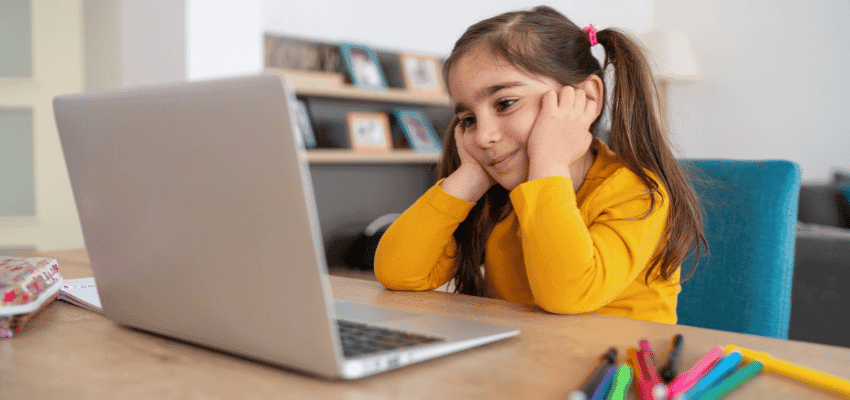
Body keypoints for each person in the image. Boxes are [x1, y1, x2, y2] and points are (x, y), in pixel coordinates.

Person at [373, 6, 706, 324]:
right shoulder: (501, 196)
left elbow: (567, 294)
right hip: (527, 366)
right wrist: (470, 176)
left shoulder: (635, 191)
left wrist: (549, 162)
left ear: (586, 97)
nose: (484, 135)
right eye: (468, 119)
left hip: (617, 374)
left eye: (505, 103)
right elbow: (399, 272)